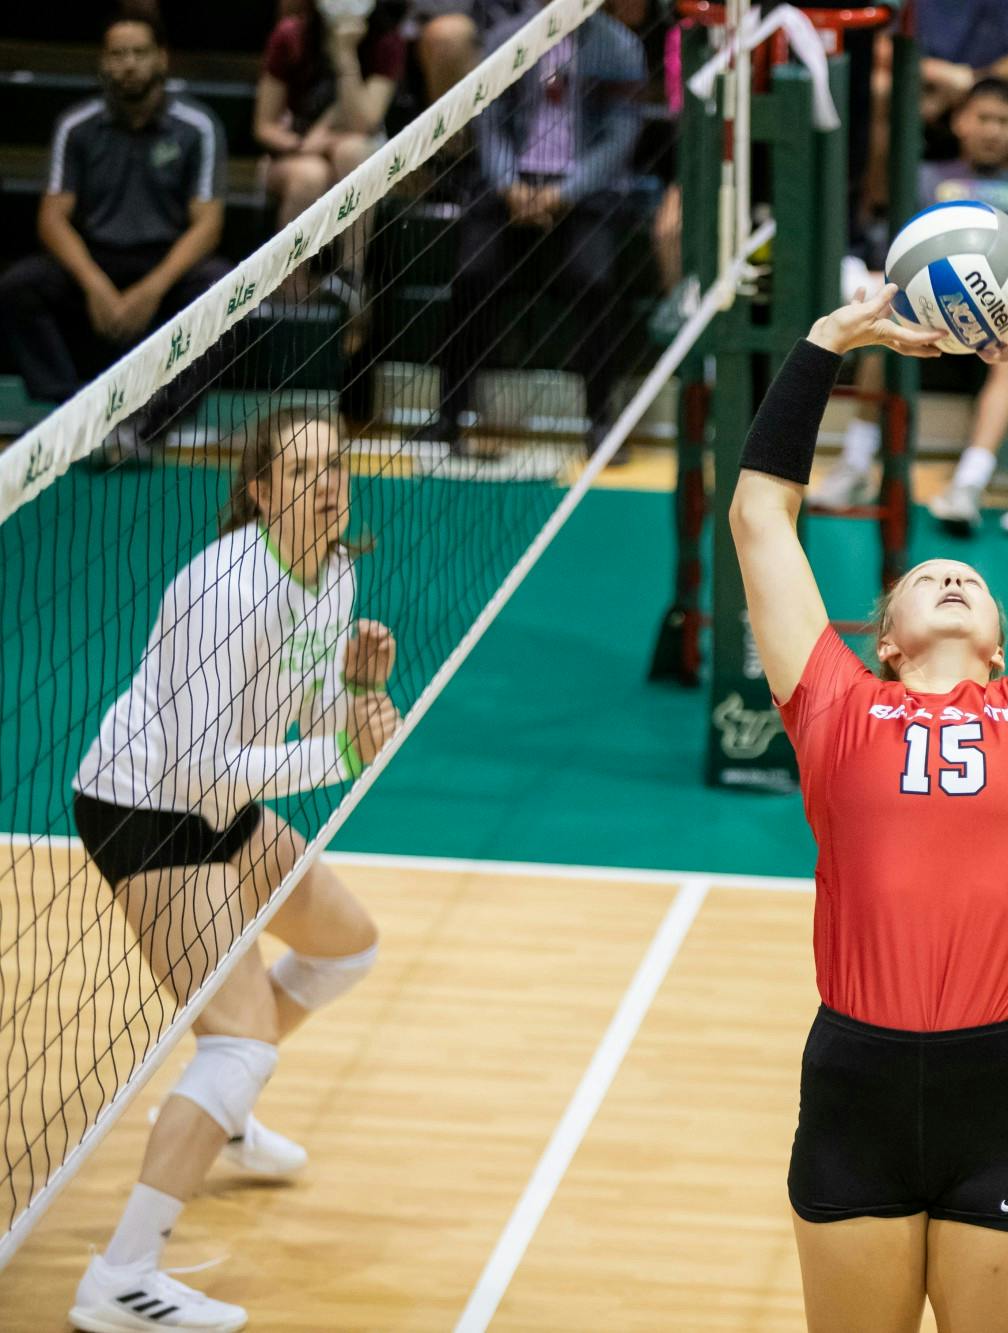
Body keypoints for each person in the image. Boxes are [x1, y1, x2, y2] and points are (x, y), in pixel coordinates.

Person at [729, 280, 1008, 1332]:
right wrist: (828, 339)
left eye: (968, 579)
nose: (952, 578)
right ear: (885, 638)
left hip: (1002, 1081)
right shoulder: (832, 704)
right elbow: (757, 516)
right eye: (928, 577)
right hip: (856, 1079)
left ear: (1002, 642)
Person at [65, 411, 399, 1333]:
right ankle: (120, 1277)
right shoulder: (226, 590)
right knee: (239, 1038)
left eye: (335, 464)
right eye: (300, 472)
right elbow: (197, 768)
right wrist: (338, 749)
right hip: (148, 807)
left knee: (345, 949)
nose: (326, 484)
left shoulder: (333, 573)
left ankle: (223, 1104)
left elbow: (312, 711)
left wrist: (361, 702)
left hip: (215, 796)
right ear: (259, 491)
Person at [810, 78, 1008, 537]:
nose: (993, 130)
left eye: (1005, 121)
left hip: (999, 312)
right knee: (879, 323)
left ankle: (968, 483)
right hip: (924, 308)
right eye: (984, 117)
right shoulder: (925, 176)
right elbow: (895, 247)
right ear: (960, 122)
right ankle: (855, 464)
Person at [0, 14, 228, 465]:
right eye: (117, 54)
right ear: (103, 63)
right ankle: (73, 415)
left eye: (139, 53)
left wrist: (149, 291)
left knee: (223, 290)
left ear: (162, 59)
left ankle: (149, 426)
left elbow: (208, 225)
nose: (128, 64)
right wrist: (96, 286)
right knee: (18, 286)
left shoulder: (197, 126)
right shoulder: (76, 125)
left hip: (165, 265)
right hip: (97, 261)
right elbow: (52, 218)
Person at [429, 0, 645, 457]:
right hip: (509, 184)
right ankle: (448, 417)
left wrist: (564, 192)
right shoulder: (506, 38)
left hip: (583, 189)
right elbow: (490, 126)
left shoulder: (620, 47)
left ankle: (601, 420)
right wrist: (511, 186)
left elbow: (619, 140)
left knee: (596, 280)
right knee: (471, 274)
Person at [255, 0, 405, 329]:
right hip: (293, 155)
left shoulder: (386, 41)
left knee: (354, 152)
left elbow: (364, 120)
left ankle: (351, 276)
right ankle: (289, 288)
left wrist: (345, 55)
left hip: (349, 149)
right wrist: (303, 145)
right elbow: (264, 126)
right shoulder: (290, 35)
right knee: (311, 174)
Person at [917, 0, 1008, 173]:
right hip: (926, 81)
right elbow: (883, 45)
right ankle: (883, 196)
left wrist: (971, 81)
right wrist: (938, 74)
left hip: (991, 83)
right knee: (881, 89)